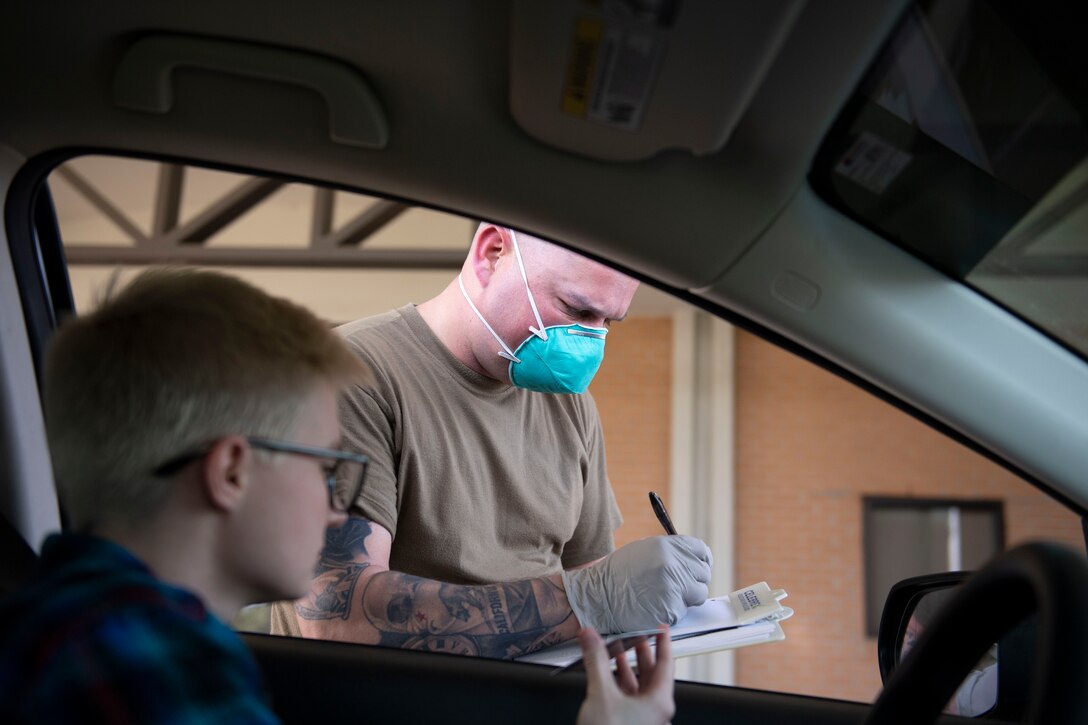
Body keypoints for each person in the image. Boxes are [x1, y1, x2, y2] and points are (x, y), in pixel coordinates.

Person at [0, 267, 677, 724]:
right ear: (232, 470)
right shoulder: (147, 666)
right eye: (326, 464)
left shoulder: (94, 624)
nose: (337, 507)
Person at [272, 223, 713, 660]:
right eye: (577, 312)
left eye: (606, 322)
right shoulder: (349, 376)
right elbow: (334, 617)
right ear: (492, 252)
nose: (592, 341)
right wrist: (591, 600)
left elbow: (591, 580)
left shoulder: (571, 407)